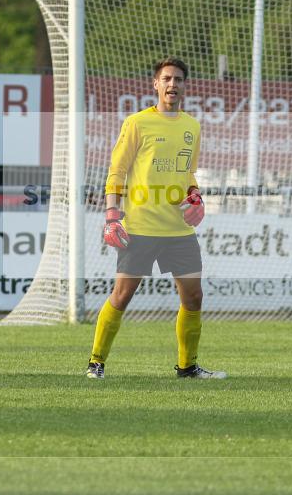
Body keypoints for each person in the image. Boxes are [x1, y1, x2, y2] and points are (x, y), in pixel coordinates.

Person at [86, 57, 226, 380]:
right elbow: (117, 171)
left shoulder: (193, 127)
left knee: (194, 296)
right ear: (155, 84)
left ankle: (187, 367)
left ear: (184, 86)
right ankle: (96, 363)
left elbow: (188, 173)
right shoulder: (137, 123)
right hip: (141, 227)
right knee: (122, 295)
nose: (172, 85)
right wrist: (111, 215)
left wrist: (195, 195)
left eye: (178, 79)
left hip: (178, 230)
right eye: (166, 79)